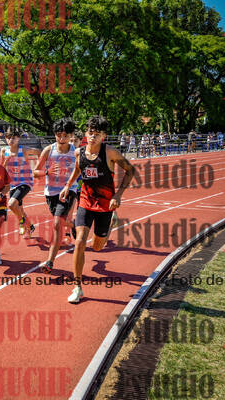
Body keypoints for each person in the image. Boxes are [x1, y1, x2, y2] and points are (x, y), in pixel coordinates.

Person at [59, 116, 135, 303]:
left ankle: (110, 225)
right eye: (90, 132)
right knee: (80, 241)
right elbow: (78, 169)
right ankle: (77, 287)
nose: (93, 136)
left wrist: (118, 195)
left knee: (97, 247)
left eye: (97, 134)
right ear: (86, 133)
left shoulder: (110, 152)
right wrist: (67, 185)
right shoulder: (78, 152)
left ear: (104, 136)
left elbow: (130, 170)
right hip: (85, 202)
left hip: (105, 205)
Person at [33, 118, 79, 274]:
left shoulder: (76, 151)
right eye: (59, 135)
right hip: (51, 193)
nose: (62, 138)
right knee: (63, 221)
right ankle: (73, 225)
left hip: (69, 190)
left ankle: (49, 262)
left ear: (71, 135)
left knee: (57, 224)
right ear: (55, 134)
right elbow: (35, 172)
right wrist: (47, 172)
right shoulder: (48, 150)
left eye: (66, 135)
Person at [0, 128, 39, 238]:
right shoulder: (4, 151)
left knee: (11, 204)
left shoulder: (24, 150)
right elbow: (1, 169)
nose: (11, 140)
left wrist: (38, 167)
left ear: (18, 138)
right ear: (5, 138)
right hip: (12, 184)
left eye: (13, 138)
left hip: (25, 182)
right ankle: (30, 226)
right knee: (19, 209)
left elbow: (40, 152)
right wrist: (6, 161)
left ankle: (22, 223)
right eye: (8, 138)